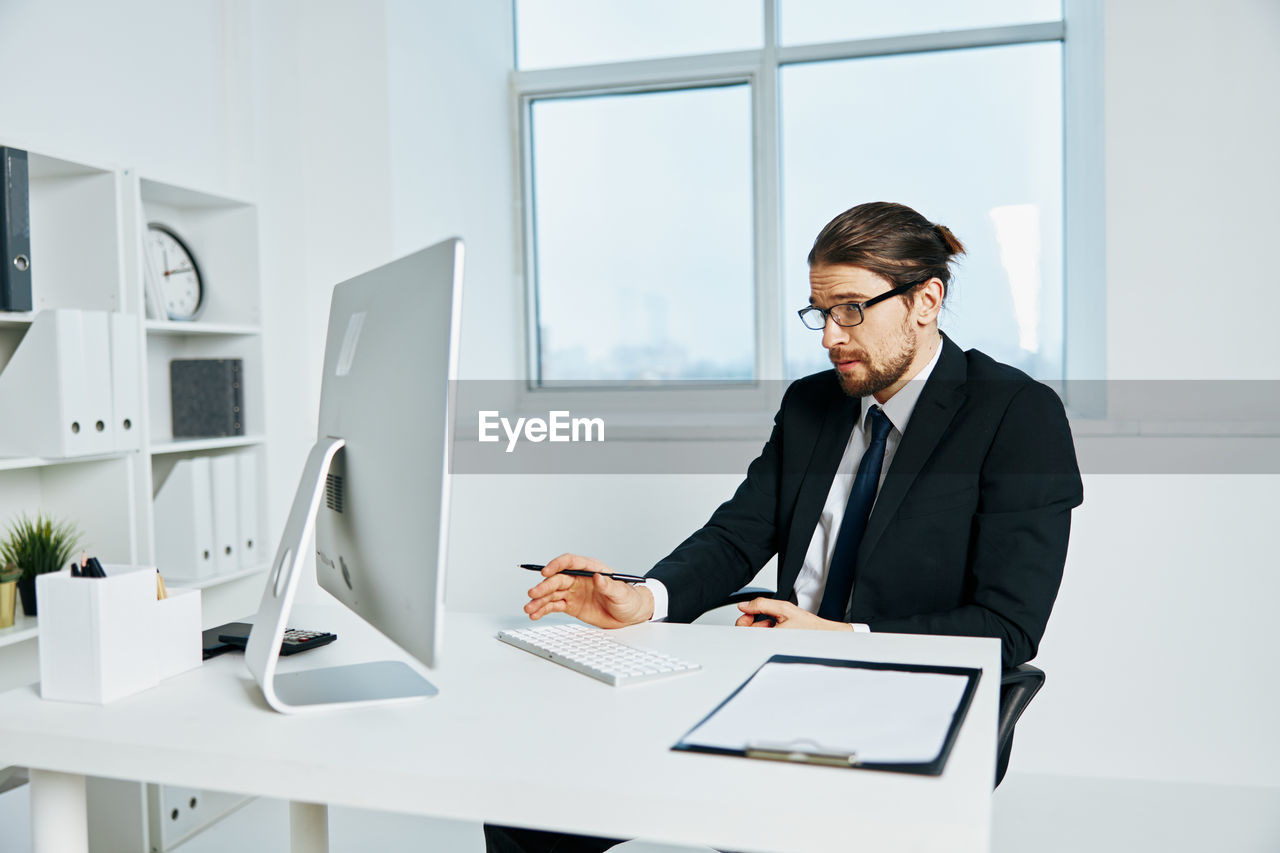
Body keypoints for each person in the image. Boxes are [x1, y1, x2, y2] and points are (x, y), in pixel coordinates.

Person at [485, 201, 1083, 853]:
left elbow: (1008, 625)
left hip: (902, 697)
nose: (831, 336)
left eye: (851, 309)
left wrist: (842, 637)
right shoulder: (811, 403)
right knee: (527, 803)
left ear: (926, 300)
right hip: (773, 674)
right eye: (821, 313)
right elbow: (738, 533)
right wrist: (644, 599)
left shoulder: (1017, 415)